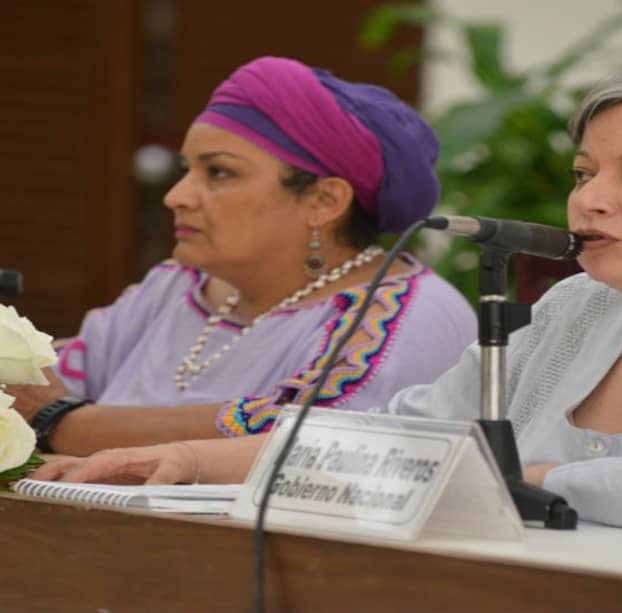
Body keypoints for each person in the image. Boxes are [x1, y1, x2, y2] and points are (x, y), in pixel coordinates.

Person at [32, 60, 622, 556]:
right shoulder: (584, 303)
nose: (589, 200)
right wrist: (190, 461)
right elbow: (401, 433)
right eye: (585, 173)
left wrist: (490, 475)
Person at [8, 56, 476, 456]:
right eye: (186, 169)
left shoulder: (403, 318)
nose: (176, 196)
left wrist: (66, 424)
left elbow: (306, 445)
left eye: (219, 173)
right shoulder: (176, 284)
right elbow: (40, 387)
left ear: (324, 201)